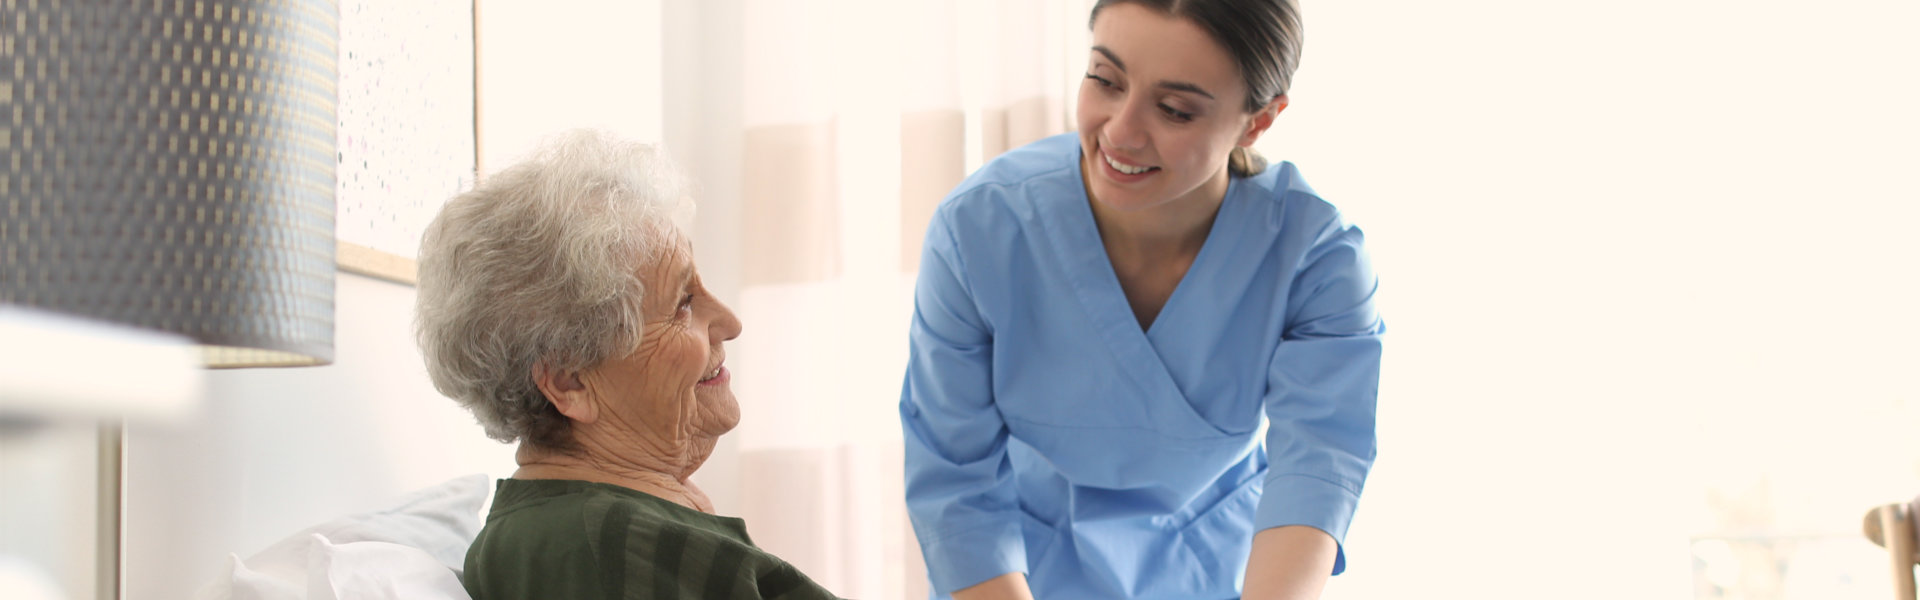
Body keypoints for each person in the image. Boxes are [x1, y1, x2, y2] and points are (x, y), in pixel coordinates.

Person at [899, 1, 1382, 599]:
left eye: (1175, 109)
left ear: (1257, 121)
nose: (1120, 132)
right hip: (1011, 568)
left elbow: (1316, 468)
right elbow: (954, 481)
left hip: (1228, 566)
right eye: (1105, 80)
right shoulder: (979, 229)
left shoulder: (1315, 256)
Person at [416, 130, 840, 600]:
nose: (729, 322)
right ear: (569, 381)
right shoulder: (615, 548)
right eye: (682, 303)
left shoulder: (588, 529)